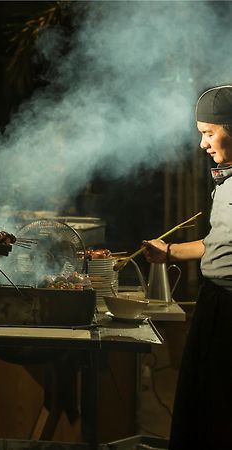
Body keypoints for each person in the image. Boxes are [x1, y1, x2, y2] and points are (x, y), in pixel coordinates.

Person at [142, 85, 232, 449]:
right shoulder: (225, 180)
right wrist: (170, 253)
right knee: (202, 405)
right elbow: (220, 243)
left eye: (209, 133)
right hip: (214, 305)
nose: (203, 145)